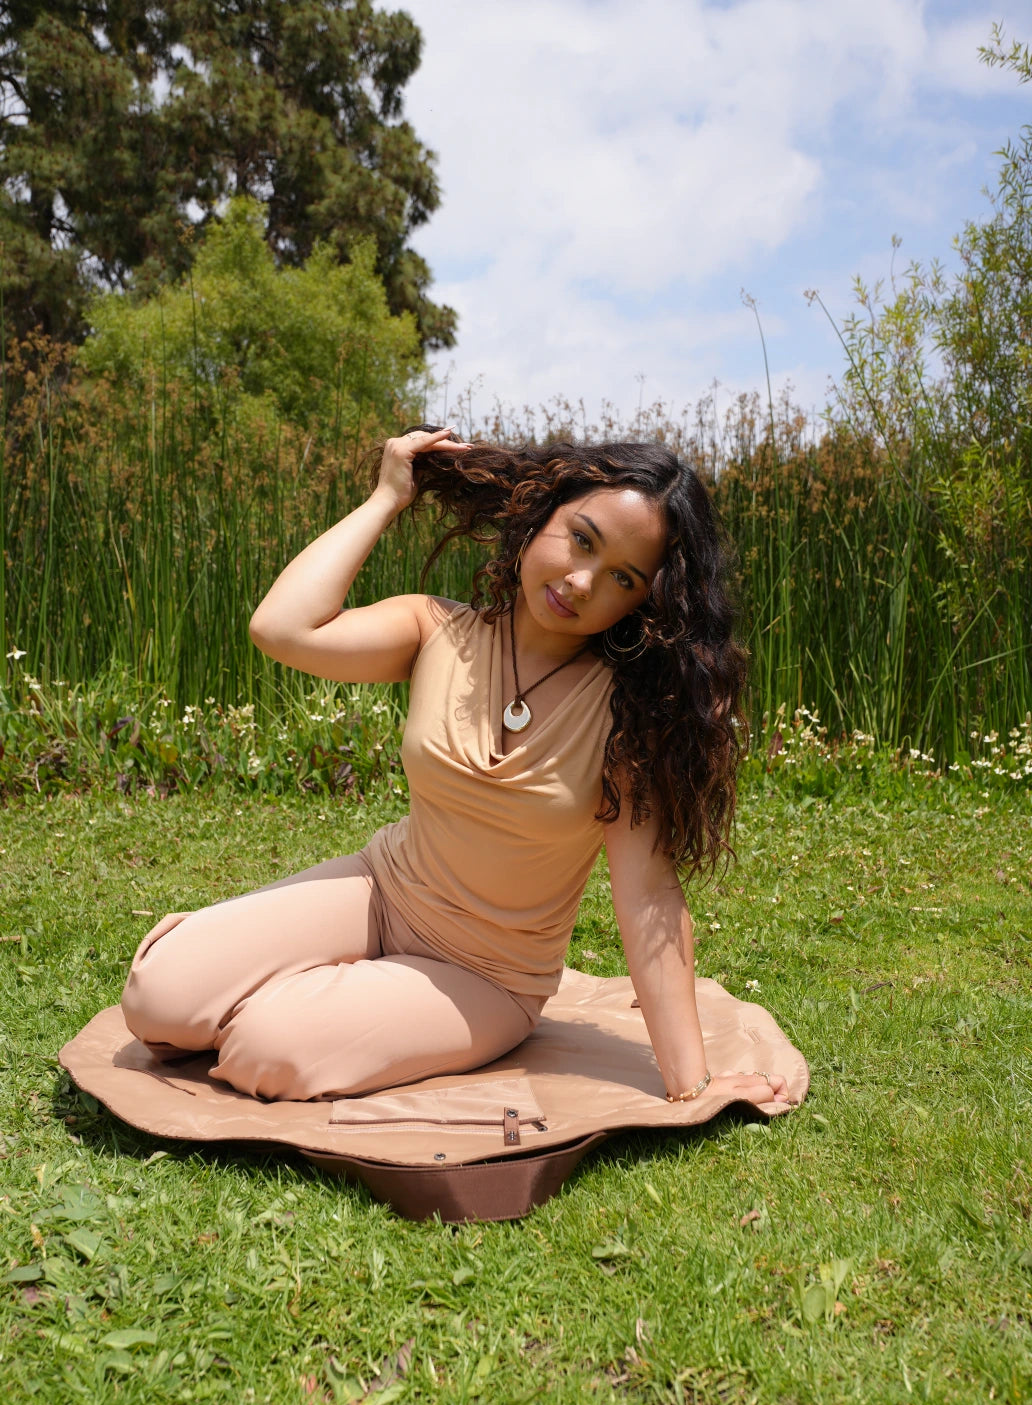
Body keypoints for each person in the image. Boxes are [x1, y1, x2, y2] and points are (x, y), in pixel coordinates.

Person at [121, 426, 789, 1111]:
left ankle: (315, 1004)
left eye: (623, 578)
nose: (582, 582)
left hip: (489, 973)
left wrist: (691, 1083)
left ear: (645, 603)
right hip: (382, 891)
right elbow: (282, 629)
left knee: (267, 1048)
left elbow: (648, 896)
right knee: (158, 995)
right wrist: (386, 498)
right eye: (581, 539)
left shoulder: (627, 716)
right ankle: (313, 984)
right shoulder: (433, 630)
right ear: (540, 513)